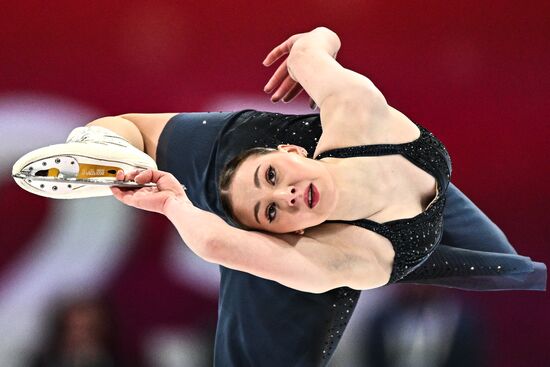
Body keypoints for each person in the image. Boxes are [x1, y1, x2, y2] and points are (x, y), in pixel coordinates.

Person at [12, 27, 546, 366]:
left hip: (242, 145)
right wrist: (172, 202)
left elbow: (321, 41)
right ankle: (112, 152)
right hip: (326, 236)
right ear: (287, 233)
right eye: (271, 213)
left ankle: (111, 142)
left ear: (291, 147)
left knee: (511, 265)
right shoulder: (351, 256)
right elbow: (224, 247)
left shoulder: (355, 112)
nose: (287, 197)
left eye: (274, 179)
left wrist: (307, 45)